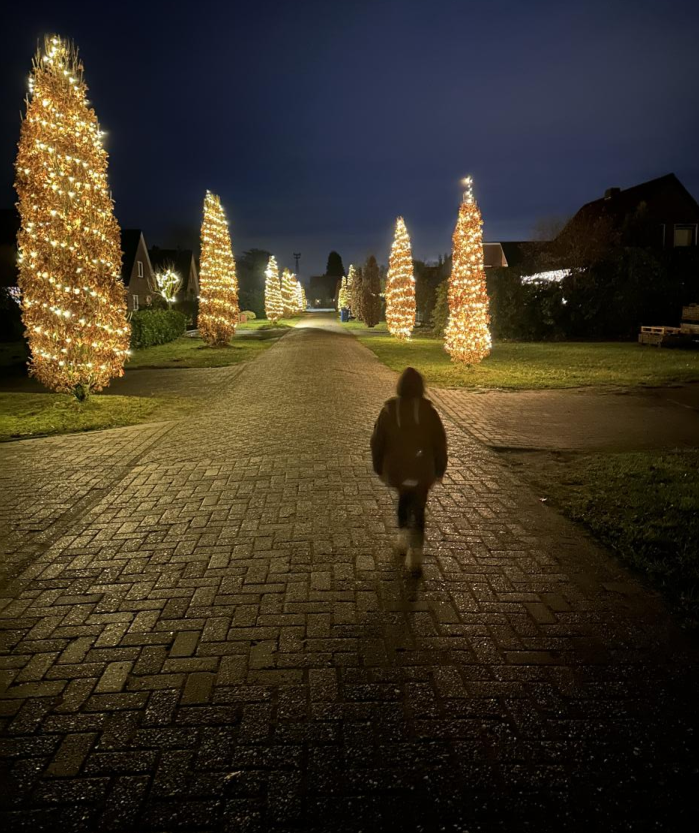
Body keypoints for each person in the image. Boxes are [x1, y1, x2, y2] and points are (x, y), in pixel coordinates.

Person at [370, 367, 448, 574]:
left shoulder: (388, 411)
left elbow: (377, 442)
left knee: (404, 499)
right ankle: (416, 554)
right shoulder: (429, 412)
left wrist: (378, 466)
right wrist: (439, 469)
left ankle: (403, 536)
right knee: (419, 508)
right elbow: (440, 442)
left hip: (398, 469)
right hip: (423, 468)